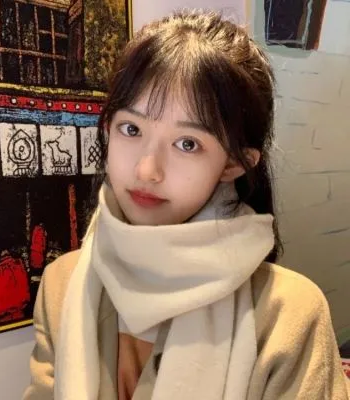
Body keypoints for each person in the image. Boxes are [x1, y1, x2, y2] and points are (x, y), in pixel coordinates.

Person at [23, 10, 349, 400]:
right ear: (109, 130)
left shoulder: (288, 314)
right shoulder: (62, 284)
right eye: (131, 129)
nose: (147, 170)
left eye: (187, 144)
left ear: (233, 163)